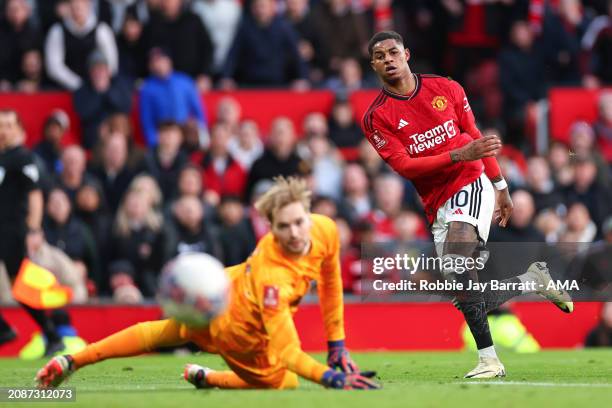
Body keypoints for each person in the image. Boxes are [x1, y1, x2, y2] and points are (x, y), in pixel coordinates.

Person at [362, 31, 573, 379]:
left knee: (460, 258)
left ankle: (490, 361)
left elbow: (477, 139)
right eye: (380, 55)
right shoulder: (377, 117)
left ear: (407, 54)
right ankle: (529, 280)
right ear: (373, 64)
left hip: (470, 180)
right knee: (463, 291)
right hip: (435, 201)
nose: (388, 58)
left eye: (393, 51)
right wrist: (459, 152)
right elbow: (405, 166)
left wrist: (501, 185)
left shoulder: (446, 88)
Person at [36, 176, 379, 390]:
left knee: (161, 332)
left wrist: (337, 345)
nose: (294, 233)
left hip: (218, 286)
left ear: (309, 213)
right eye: (283, 227)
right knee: (282, 380)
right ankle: (208, 376)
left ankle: (71, 361)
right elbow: (289, 352)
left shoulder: (325, 228)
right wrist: (328, 377)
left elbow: (331, 282)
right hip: (235, 329)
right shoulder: (272, 275)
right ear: (270, 228)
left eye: (299, 222)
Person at [0, 109, 64, 355]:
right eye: (1, 125)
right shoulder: (4, 158)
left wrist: (34, 229)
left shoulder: (23, 158)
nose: (3, 129)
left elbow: (35, 193)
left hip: (13, 230)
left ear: (18, 130)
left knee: (21, 287)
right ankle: (7, 329)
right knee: (20, 288)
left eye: (8, 124)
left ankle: (50, 333)